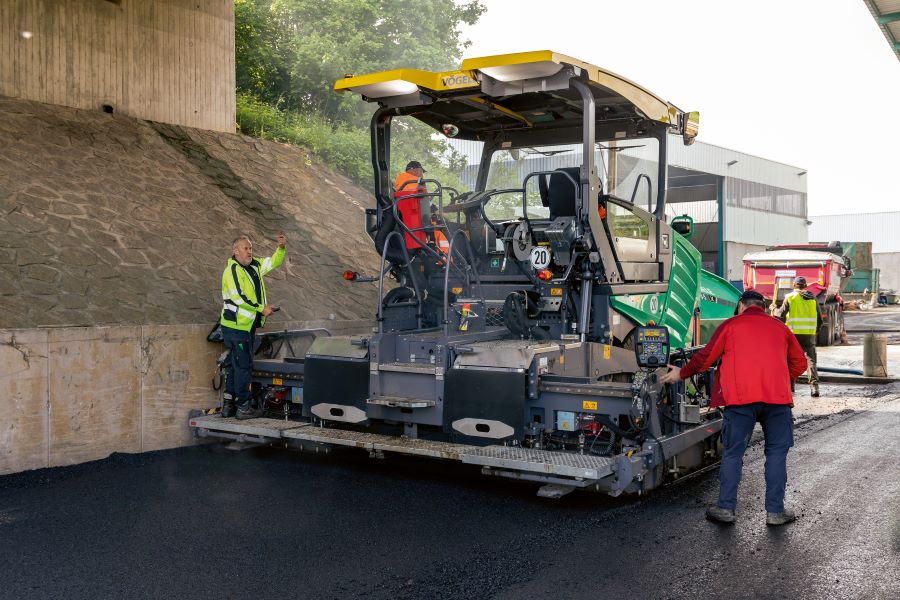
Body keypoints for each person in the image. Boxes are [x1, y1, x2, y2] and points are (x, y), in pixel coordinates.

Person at [659, 290, 808, 526]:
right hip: (777, 401)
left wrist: (681, 373)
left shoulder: (730, 326)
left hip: (741, 401)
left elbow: (705, 358)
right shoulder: (780, 328)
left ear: (741, 306)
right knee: (776, 454)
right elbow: (800, 362)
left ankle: (726, 508)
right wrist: (779, 379)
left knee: (733, 453)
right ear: (763, 306)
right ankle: (775, 512)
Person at [219, 233, 285, 419]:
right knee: (243, 366)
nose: (250, 251)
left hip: (245, 326)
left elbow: (273, 262)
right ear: (236, 251)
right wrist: (261, 308)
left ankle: (229, 405)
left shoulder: (254, 265)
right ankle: (243, 407)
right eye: (246, 248)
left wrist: (280, 248)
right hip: (236, 327)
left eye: (251, 248)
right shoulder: (232, 271)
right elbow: (238, 298)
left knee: (235, 365)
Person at [778, 276, 823, 397]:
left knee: (790, 359)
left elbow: (780, 315)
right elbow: (819, 318)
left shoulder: (790, 297)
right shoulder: (813, 298)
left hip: (793, 334)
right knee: (811, 360)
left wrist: (773, 310)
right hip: (808, 334)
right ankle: (814, 388)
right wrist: (816, 331)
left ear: (794, 285)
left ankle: (790, 386)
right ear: (805, 286)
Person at [394, 160, 428, 250]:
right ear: (415, 170)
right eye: (421, 171)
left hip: (405, 216)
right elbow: (424, 200)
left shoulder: (400, 179)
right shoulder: (416, 181)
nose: (422, 174)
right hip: (415, 217)